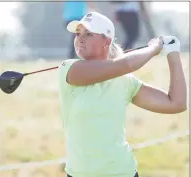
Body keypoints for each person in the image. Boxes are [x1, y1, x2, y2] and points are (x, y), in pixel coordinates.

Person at [58, 12, 187, 177]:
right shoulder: (68, 69)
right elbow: (126, 64)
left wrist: (173, 54)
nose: (80, 38)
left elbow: (176, 103)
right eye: (78, 33)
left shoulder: (125, 81)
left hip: (123, 172)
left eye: (88, 34)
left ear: (107, 41)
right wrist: (153, 48)